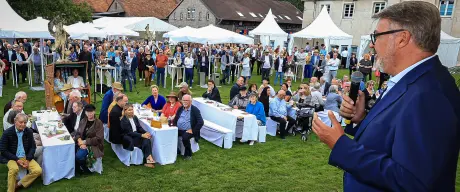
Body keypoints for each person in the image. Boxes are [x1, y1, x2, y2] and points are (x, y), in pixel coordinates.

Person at [312, 2, 460, 191]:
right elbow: (396, 140)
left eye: (377, 35)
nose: (372, 44)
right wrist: (362, 120)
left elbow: (413, 182)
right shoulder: (416, 81)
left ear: (402, 39)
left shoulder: (429, 94)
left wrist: (341, 146)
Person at [1, 113, 42, 192]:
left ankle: (18, 184)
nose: (23, 125)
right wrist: (16, 159)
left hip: (25, 156)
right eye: (21, 122)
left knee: (38, 170)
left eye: (25, 123)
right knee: (14, 169)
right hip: (11, 157)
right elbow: (3, 150)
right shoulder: (7, 133)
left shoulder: (28, 131)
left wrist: (28, 159)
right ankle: (10, 190)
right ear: (15, 121)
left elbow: (32, 147)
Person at [120, 104, 155, 168]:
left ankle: (148, 159)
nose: (131, 111)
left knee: (147, 140)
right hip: (129, 137)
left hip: (136, 135)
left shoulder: (134, 117)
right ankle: (148, 159)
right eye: (129, 110)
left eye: (132, 109)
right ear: (125, 111)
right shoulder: (123, 120)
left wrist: (145, 132)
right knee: (145, 141)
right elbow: (129, 132)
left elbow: (139, 127)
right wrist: (142, 135)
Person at [74, 104, 104, 174]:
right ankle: (77, 169)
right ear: (85, 112)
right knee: (71, 151)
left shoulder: (98, 123)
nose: (89, 113)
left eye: (91, 111)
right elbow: (78, 133)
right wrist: (79, 140)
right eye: (88, 112)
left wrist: (84, 142)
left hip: (94, 145)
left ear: (94, 112)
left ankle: (86, 170)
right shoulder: (83, 121)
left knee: (79, 156)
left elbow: (98, 139)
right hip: (81, 143)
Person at [172, 95, 204, 160]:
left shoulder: (195, 110)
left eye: (187, 100)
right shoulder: (180, 108)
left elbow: (201, 122)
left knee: (185, 138)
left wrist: (193, 130)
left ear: (190, 101)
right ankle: (176, 150)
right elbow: (176, 118)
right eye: (184, 100)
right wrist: (173, 126)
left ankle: (188, 154)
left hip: (188, 130)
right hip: (178, 129)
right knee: (170, 133)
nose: (185, 102)